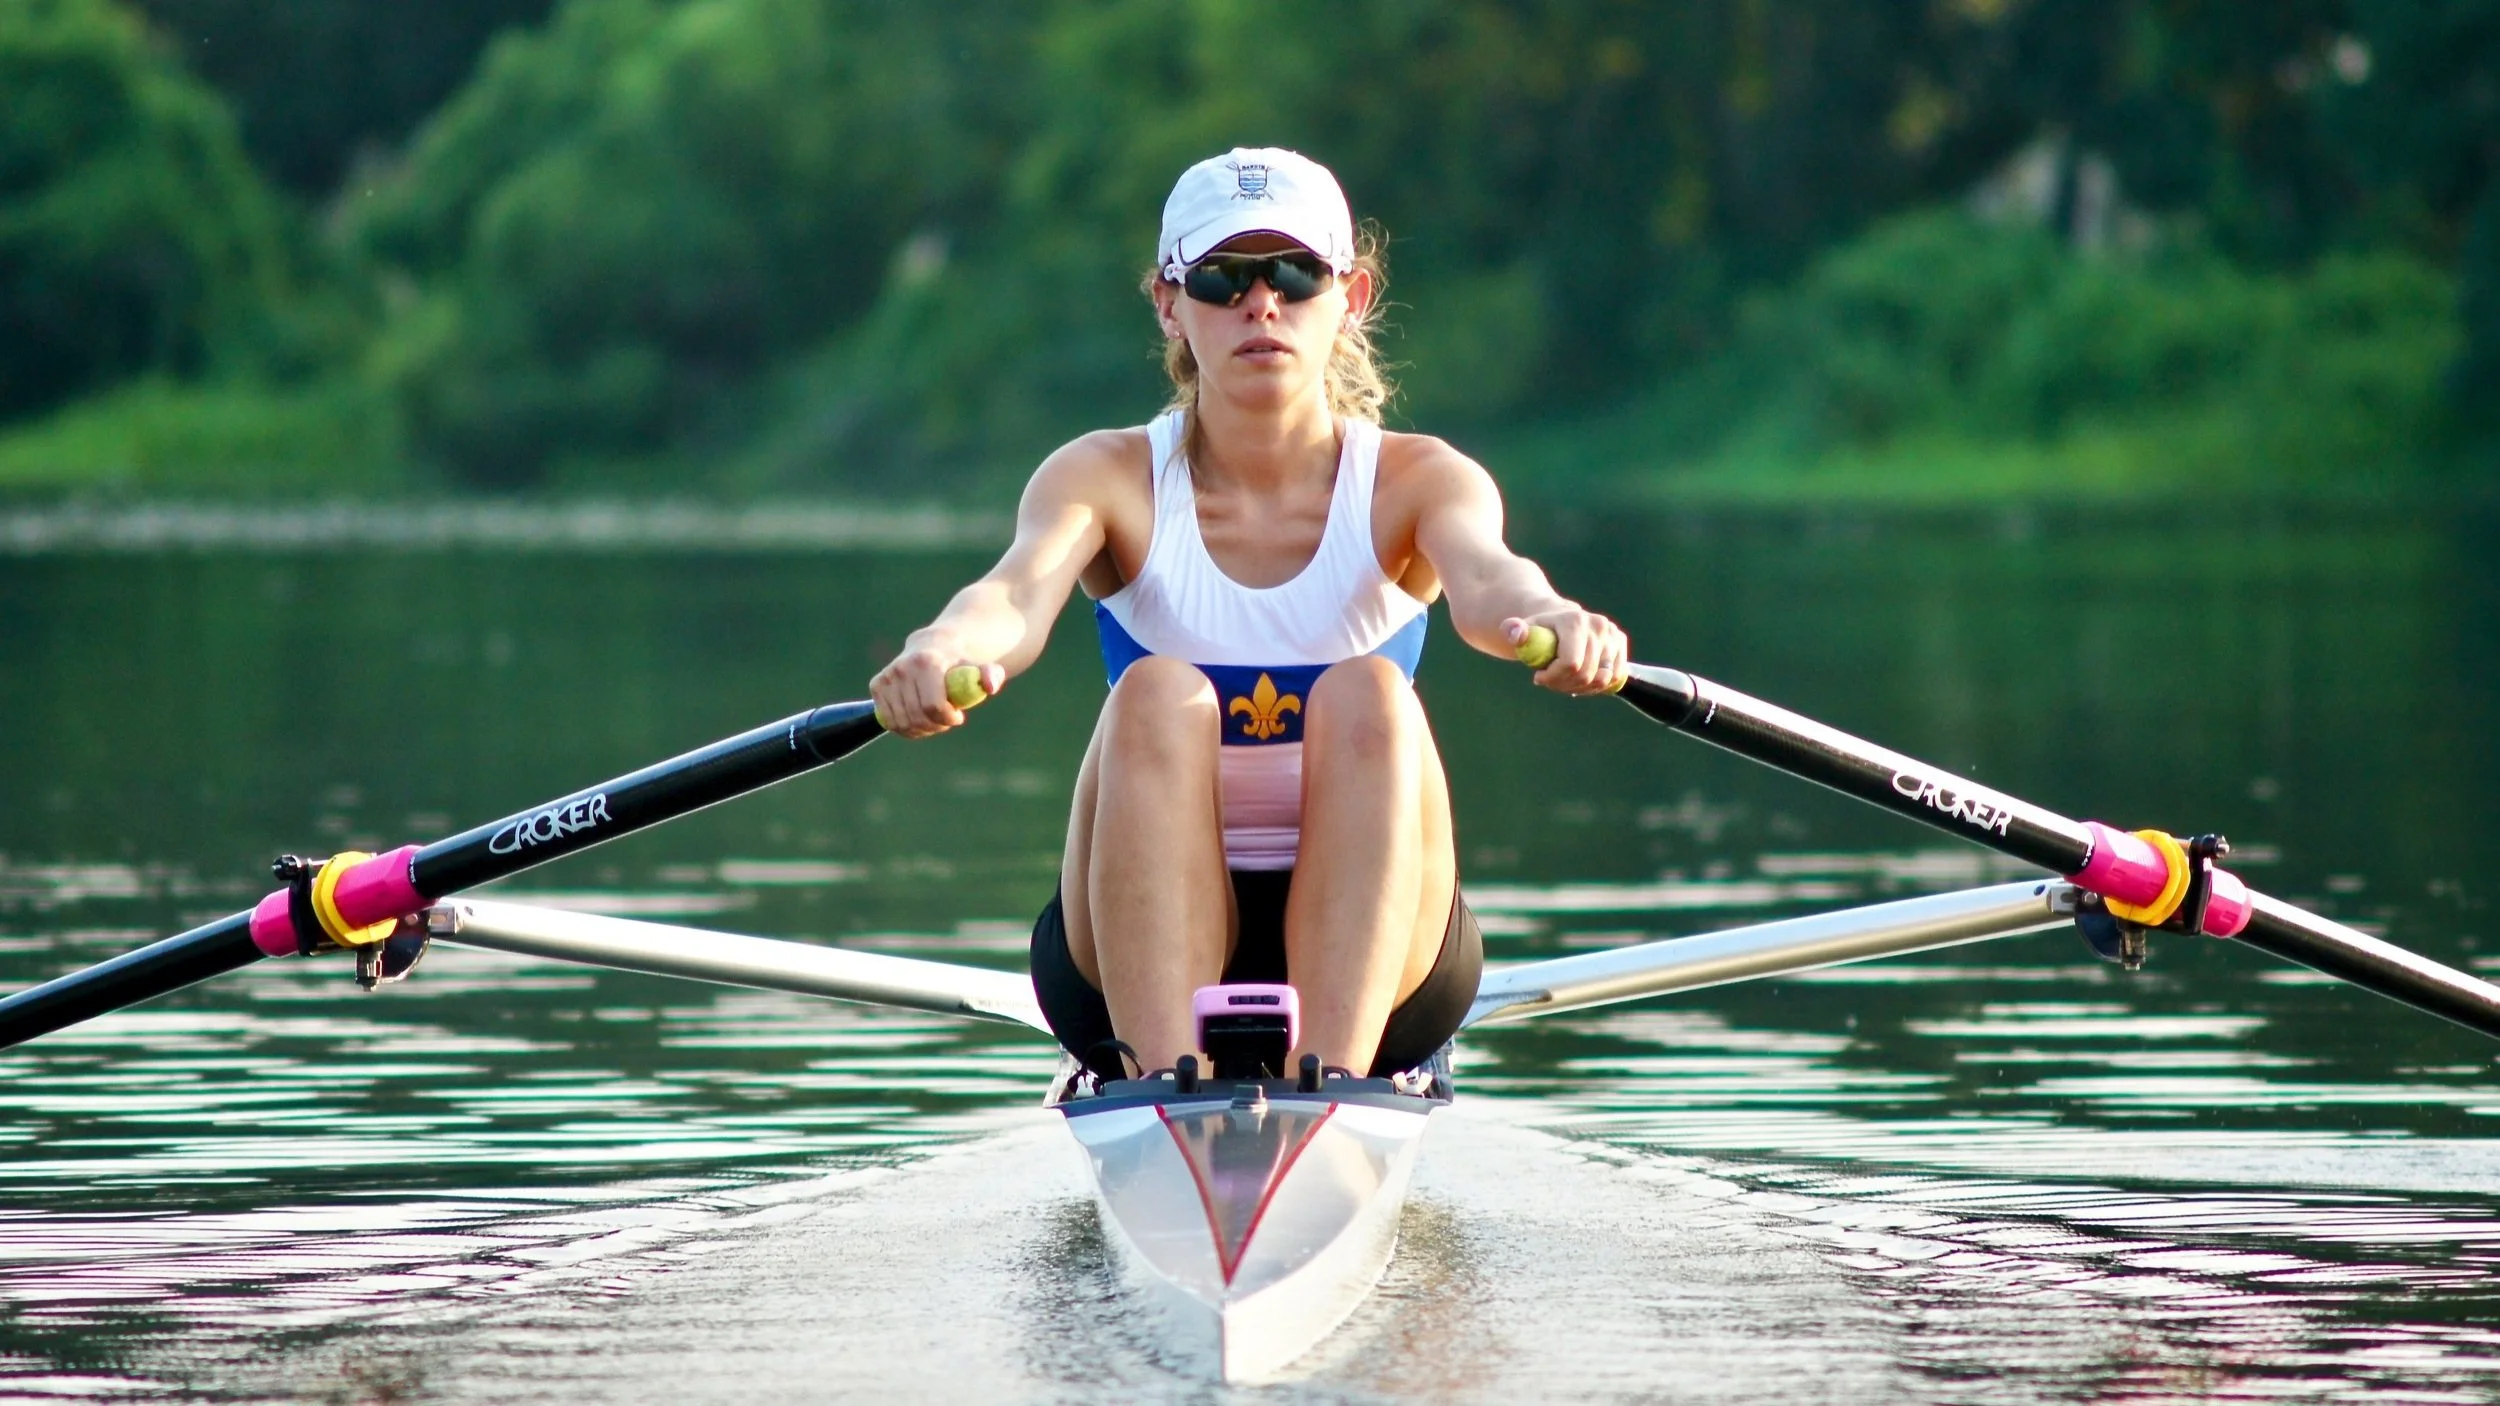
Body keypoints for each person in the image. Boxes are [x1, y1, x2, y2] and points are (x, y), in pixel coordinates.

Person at [871, 147, 1627, 1083]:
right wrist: (942, 646)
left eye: (1296, 275)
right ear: (1169, 304)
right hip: (1126, 948)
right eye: (1225, 279)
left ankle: (1334, 1088)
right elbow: (1012, 597)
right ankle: (1161, 1086)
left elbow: (1495, 585)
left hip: (1391, 966)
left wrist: (1559, 618)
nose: (1262, 305)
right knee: (1153, 694)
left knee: (1373, 697)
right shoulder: (1104, 477)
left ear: (1348, 299)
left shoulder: (1417, 481)